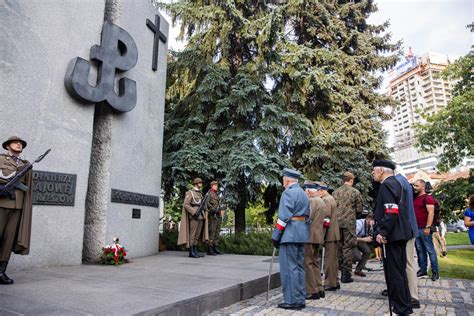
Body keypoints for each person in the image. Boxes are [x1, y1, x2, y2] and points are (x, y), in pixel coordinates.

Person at [372, 159, 413, 315]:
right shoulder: (398, 183)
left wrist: (383, 232)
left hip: (393, 234)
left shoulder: (387, 185)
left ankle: (401, 308)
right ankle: (405, 305)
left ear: (381, 171)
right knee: (400, 272)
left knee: (394, 273)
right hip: (400, 232)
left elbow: (391, 211)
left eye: (374, 171)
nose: (373, 174)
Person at [272, 168, 310, 310]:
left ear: (287, 179)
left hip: (289, 234)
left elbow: (283, 218)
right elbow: (308, 216)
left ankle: (292, 300)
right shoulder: (303, 193)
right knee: (299, 267)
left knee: (289, 268)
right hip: (301, 233)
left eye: (283, 179)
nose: (283, 181)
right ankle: (300, 298)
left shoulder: (288, 193)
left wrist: (276, 236)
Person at [0, 136, 33, 285]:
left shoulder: (25, 164)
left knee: (8, 239)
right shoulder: (1, 160)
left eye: (21, 143)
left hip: (17, 206)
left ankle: (1, 272)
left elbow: (27, 186)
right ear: (8, 146)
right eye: (15, 142)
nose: (19, 144)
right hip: (1, 204)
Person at [332, 171, 363, 283]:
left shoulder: (335, 192)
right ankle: (346, 275)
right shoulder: (355, 192)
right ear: (351, 180)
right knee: (348, 248)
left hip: (336, 223)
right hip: (349, 224)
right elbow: (359, 209)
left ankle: (336, 273)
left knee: (339, 247)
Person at [395, 172, 420, 309]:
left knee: (408, 263)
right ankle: (408, 293)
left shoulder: (398, 182)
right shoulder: (404, 181)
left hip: (405, 229)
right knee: (407, 263)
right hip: (409, 228)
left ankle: (412, 296)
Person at [303, 181, 327, 300]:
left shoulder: (312, 201)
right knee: (315, 262)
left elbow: (307, 217)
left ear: (308, 191)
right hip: (318, 235)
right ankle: (319, 287)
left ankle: (312, 291)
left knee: (307, 263)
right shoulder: (322, 201)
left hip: (309, 236)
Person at [314, 182, 340, 291]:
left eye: (317, 191)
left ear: (321, 190)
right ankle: (335, 281)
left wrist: (321, 236)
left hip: (330, 234)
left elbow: (326, 219)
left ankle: (330, 283)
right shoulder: (330, 198)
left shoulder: (327, 200)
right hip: (332, 234)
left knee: (329, 260)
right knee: (333, 259)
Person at [413, 179, 439, 281]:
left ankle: (435, 272)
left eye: (416, 186)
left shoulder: (428, 198)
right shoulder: (415, 198)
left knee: (430, 250)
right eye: (414, 185)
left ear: (423, 187)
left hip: (425, 228)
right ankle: (423, 271)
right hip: (416, 228)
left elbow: (431, 213)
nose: (414, 187)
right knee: (420, 251)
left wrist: (428, 227)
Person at [177, 178, 209, 258]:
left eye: (201, 182)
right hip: (194, 215)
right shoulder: (190, 193)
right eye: (199, 183)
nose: (201, 184)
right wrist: (194, 212)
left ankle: (195, 250)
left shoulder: (200, 194)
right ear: (196, 183)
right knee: (193, 234)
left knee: (197, 235)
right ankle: (191, 251)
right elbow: (186, 204)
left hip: (201, 216)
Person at [205, 181, 224, 255]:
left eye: (217, 185)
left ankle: (215, 247)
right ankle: (210, 248)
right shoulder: (209, 194)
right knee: (212, 231)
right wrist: (212, 209)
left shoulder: (217, 194)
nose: (216, 186)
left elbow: (222, 203)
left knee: (217, 232)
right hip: (213, 215)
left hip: (218, 215)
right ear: (211, 186)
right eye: (215, 185)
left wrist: (221, 208)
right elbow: (207, 203)